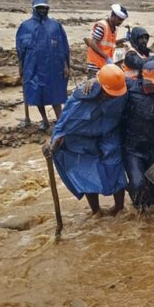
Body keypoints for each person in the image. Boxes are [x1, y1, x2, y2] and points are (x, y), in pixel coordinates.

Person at [44, 65, 129, 216]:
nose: (112, 97)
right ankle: (96, 211)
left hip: (109, 133)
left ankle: (119, 208)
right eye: (109, 94)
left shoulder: (121, 89)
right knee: (86, 171)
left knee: (114, 166)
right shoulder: (82, 96)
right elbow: (65, 122)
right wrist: (54, 144)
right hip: (82, 138)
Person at [15, 0, 70, 131]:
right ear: (34, 9)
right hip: (33, 67)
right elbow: (20, 50)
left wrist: (65, 65)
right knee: (37, 94)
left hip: (53, 67)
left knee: (56, 95)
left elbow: (63, 47)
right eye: (39, 8)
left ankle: (61, 124)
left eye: (44, 8)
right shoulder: (25, 27)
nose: (42, 11)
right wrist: (21, 67)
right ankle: (45, 121)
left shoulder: (55, 26)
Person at [122, 61, 154, 211]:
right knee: (137, 184)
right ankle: (138, 212)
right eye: (147, 82)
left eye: (153, 83)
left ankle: (153, 219)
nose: (150, 86)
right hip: (133, 149)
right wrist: (92, 82)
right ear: (141, 77)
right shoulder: (129, 86)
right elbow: (107, 77)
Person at [86, 4, 129, 76]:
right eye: (119, 19)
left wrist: (123, 40)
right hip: (95, 64)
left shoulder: (114, 29)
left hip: (105, 65)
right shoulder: (102, 26)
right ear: (113, 15)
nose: (120, 22)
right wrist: (106, 57)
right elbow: (92, 43)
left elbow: (109, 43)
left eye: (122, 20)